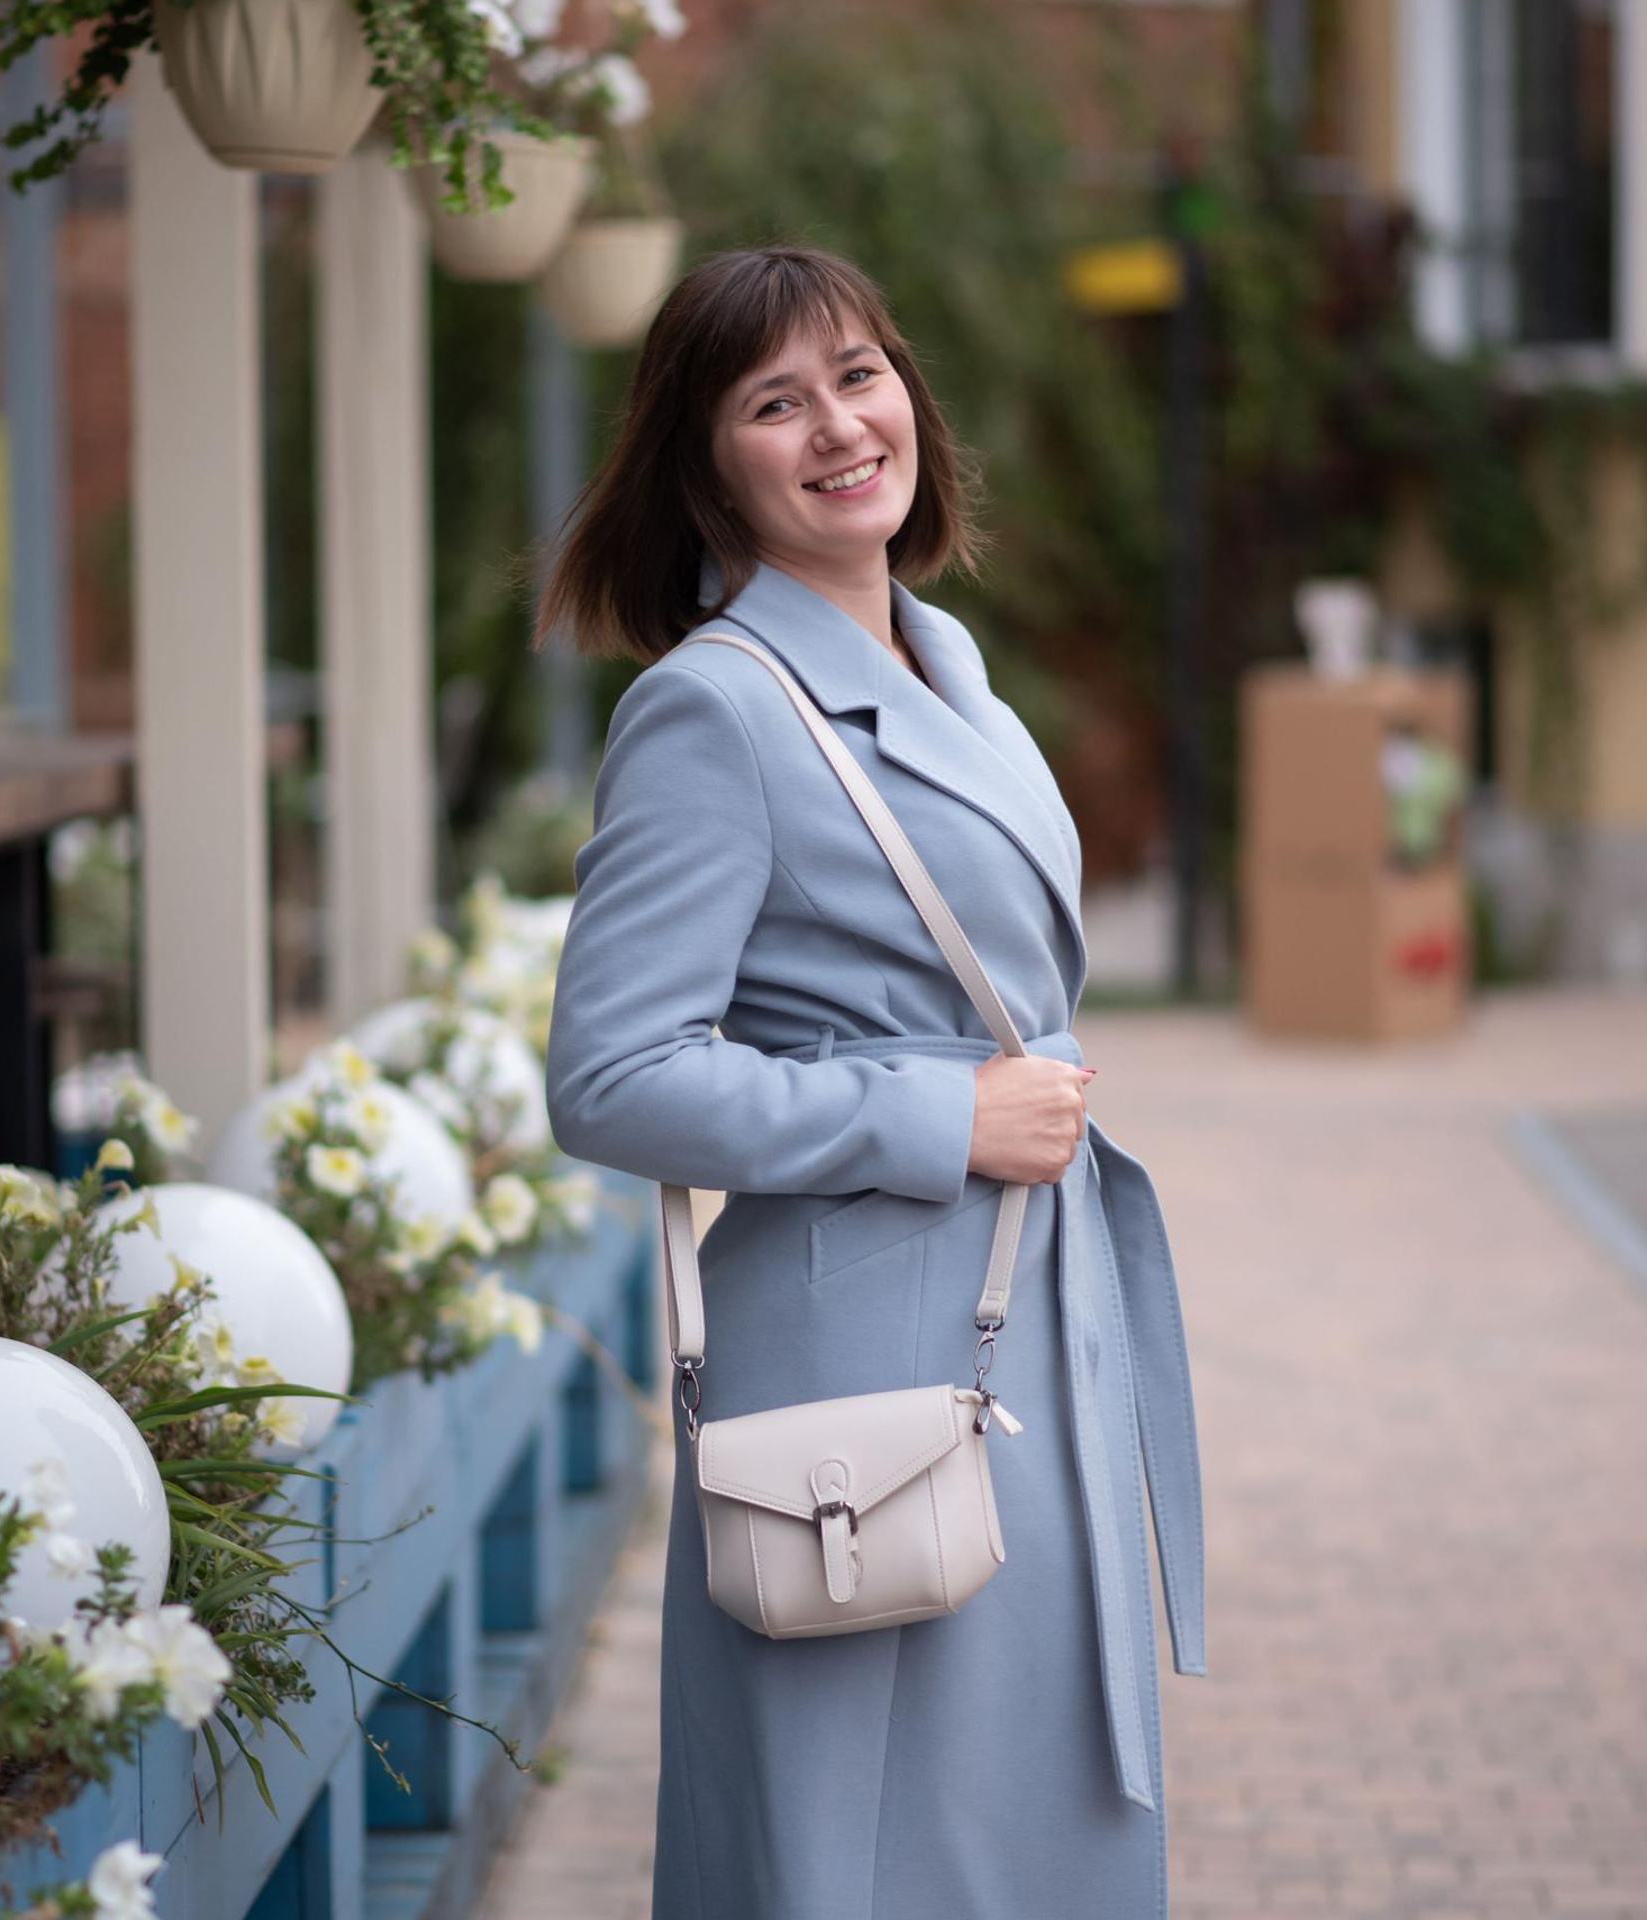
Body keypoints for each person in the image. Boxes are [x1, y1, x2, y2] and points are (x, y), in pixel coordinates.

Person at [534, 245, 1206, 1919]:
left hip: (1020, 1331)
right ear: (708, 471)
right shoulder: (713, 714)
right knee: (868, 1852)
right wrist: (937, 1116)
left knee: (1017, 1828)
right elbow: (610, 1076)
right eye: (776, 401)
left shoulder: (945, 666)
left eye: (860, 373)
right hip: (863, 1390)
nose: (840, 425)